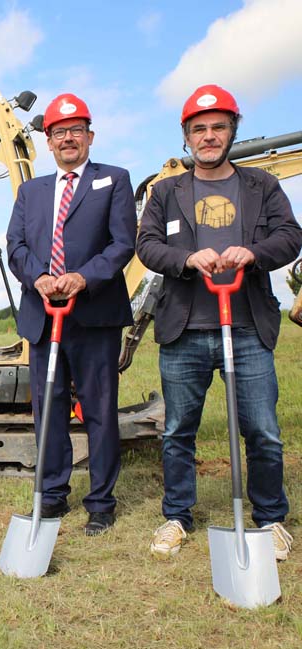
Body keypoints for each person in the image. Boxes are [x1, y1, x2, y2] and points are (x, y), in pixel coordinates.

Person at [136, 84, 302, 560]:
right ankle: (176, 516)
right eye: (199, 129)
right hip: (184, 329)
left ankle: (270, 520)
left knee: (263, 431)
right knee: (178, 431)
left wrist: (253, 253)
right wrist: (188, 258)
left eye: (218, 127)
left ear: (233, 130)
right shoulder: (166, 192)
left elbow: (291, 237)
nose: (209, 137)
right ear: (186, 137)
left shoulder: (262, 187)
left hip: (247, 323)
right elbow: (146, 245)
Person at [5, 93, 136, 536]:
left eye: (75, 131)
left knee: (99, 409)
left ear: (90, 137)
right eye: (59, 133)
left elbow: (122, 244)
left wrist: (82, 278)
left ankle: (101, 502)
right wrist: (39, 278)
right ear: (48, 142)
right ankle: (54, 495)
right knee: (49, 408)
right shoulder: (31, 191)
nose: (67, 139)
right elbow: (16, 247)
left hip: (94, 314)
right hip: (44, 315)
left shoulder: (113, 180)